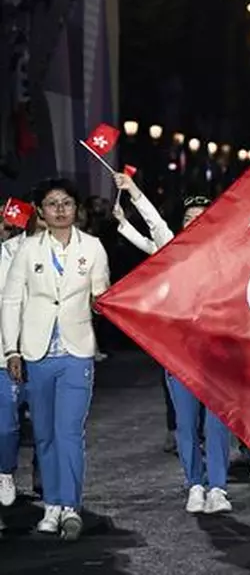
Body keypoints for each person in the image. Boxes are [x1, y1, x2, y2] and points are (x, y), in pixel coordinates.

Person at [113, 180, 234, 513]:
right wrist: (134, 193)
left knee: (217, 421)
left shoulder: (227, 253)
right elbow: (156, 228)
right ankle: (195, 484)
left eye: (202, 215)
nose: (195, 221)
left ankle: (218, 488)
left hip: (217, 351)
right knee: (185, 422)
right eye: (189, 217)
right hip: (180, 351)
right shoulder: (175, 249)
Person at [2, 178, 110, 540]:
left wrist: (103, 304)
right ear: (42, 212)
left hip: (77, 351)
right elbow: (12, 301)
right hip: (36, 353)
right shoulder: (28, 249)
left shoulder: (93, 248)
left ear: (76, 209)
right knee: (45, 434)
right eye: (52, 204)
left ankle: (70, 507)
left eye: (66, 203)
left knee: (69, 432)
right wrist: (12, 349)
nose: (60, 209)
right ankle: (51, 507)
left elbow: (102, 294)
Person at [0, 206, 45, 508]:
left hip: (46, 352)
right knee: (6, 425)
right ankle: (4, 472)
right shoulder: (7, 253)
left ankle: (45, 475)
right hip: (6, 353)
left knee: (47, 423)